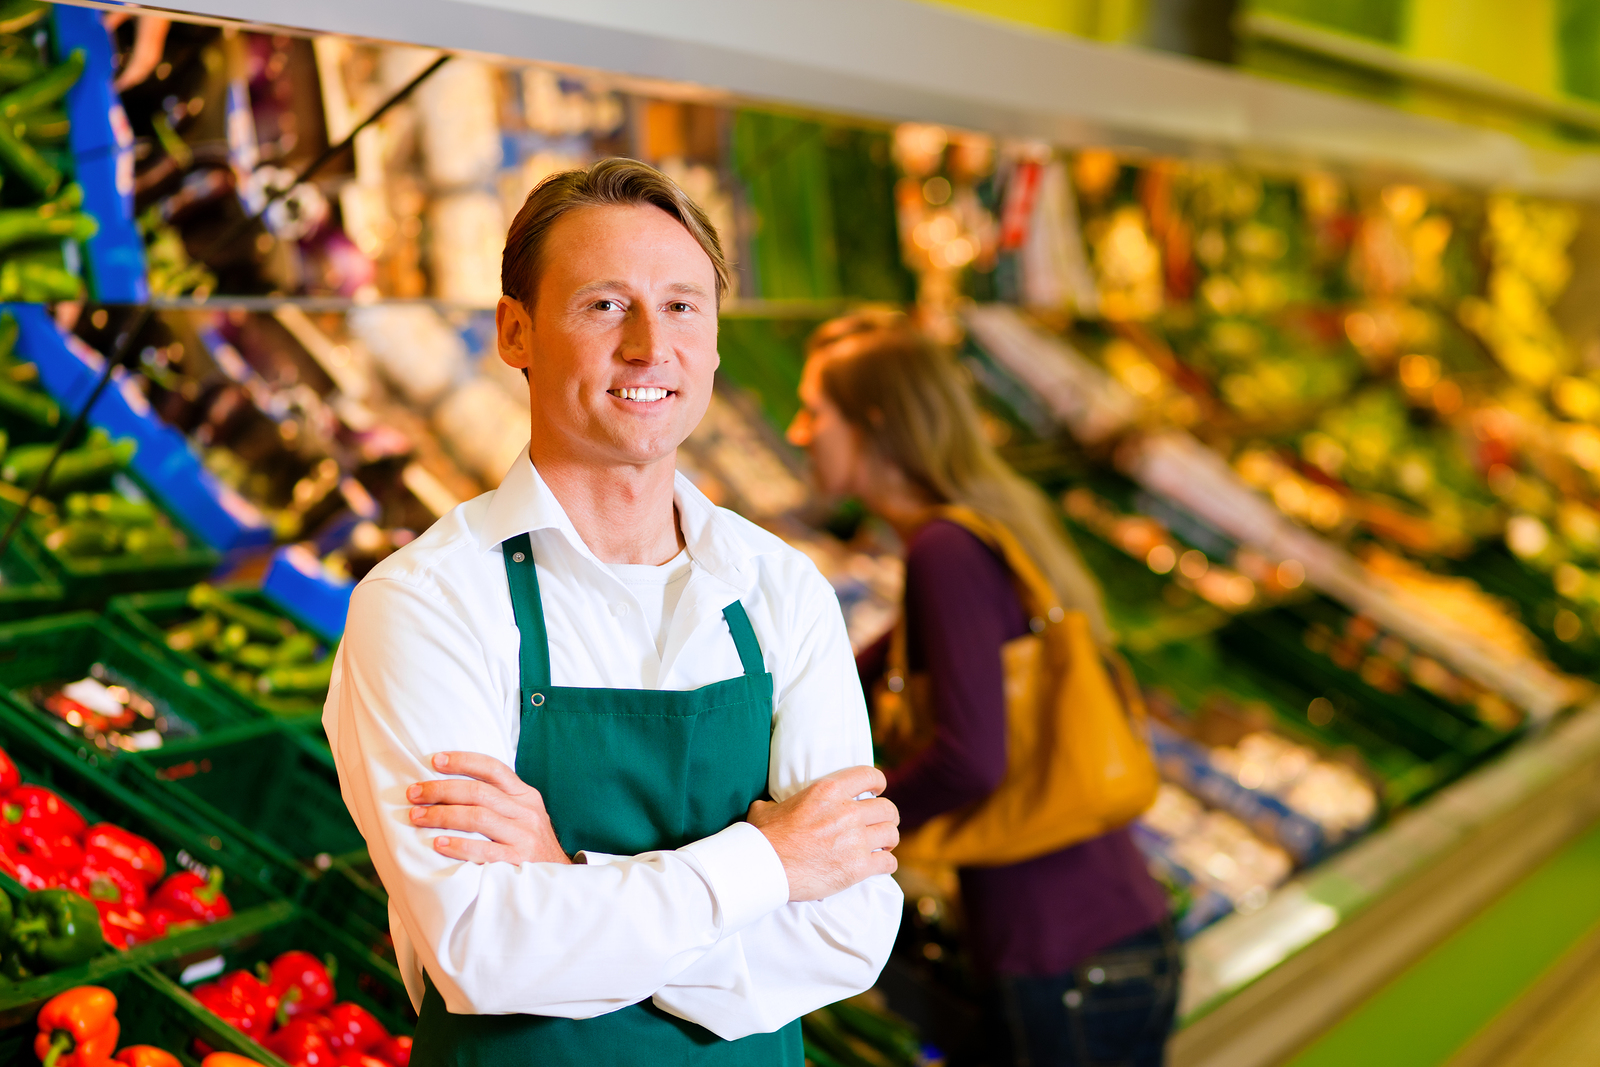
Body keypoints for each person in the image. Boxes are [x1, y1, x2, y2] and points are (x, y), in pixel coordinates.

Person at [323, 159, 904, 1067]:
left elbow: (850, 932)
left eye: (682, 306)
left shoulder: (783, 590)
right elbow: (485, 949)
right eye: (604, 305)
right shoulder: (426, 603)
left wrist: (565, 880)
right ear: (516, 332)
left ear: (713, 342)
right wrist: (768, 863)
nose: (649, 345)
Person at [787, 314, 1179, 1067]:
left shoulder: (945, 552)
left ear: (874, 422)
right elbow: (859, 668)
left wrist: (827, 840)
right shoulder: (979, 530)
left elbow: (970, 760)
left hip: (1062, 953)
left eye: (815, 411)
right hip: (1106, 938)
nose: (799, 432)